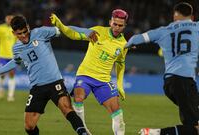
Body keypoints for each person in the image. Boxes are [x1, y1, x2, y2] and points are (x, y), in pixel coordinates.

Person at [0, 15, 91, 135]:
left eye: (25, 31)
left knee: (67, 109)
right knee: (29, 126)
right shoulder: (16, 48)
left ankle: (83, 133)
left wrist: (87, 31)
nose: (23, 35)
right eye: (19, 34)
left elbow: (64, 29)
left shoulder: (41, 32)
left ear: (28, 27)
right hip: (37, 87)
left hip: (55, 82)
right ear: (14, 33)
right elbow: (15, 61)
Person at [51, 9, 128, 135]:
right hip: (85, 74)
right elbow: (74, 35)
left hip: (103, 80)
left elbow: (120, 63)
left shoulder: (123, 44)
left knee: (117, 111)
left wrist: (120, 84)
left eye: (120, 25)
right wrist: (60, 25)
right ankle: (84, 132)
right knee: (78, 97)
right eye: (115, 24)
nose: (117, 27)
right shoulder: (98, 31)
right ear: (110, 22)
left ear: (124, 26)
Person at [126, 2, 199, 135]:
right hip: (184, 82)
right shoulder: (197, 27)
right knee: (195, 128)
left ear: (174, 17)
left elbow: (136, 39)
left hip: (170, 83)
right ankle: (154, 133)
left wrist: (128, 46)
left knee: (193, 125)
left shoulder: (163, 31)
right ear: (192, 17)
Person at [0, 13, 17, 102]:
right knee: (2, 74)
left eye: (11, 18)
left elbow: (19, 42)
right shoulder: (0, 28)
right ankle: (1, 88)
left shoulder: (16, 28)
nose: (9, 20)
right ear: (5, 19)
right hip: (2, 55)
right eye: (8, 18)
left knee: (12, 74)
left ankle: (10, 95)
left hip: (12, 56)